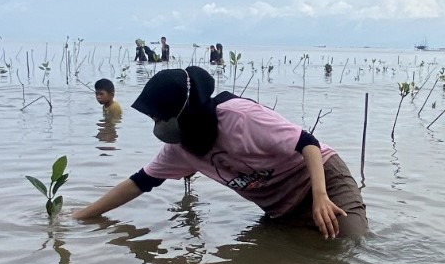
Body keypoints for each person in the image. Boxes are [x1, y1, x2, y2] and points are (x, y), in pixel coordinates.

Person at [72, 65, 367, 238]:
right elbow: (138, 183)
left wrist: (321, 197)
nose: (158, 126)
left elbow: (308, 144)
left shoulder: (239, 117)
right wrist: (82, 216)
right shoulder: (180, 149)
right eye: (154, 120)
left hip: (321, 182)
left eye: (161, 117)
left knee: (353, 245)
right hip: (280, 209)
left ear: (185, 112)